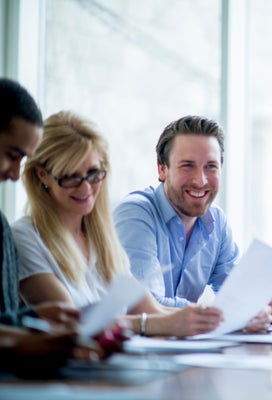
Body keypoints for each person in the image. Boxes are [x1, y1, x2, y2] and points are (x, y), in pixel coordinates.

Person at [14, 110, 228, 338]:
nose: (86, 188)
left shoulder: (100, 238)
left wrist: (218, 319)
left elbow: (150, 309)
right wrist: (149, 325)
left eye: (94, 173)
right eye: (71, 176)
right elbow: (74, 325)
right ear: (42, 175)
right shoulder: (25, 237)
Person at [113, 115, 272, 324]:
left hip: (184, 351)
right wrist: (224, 313)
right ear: (162, 169)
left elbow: (237, 294)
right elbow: (144, 306)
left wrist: (260, 306)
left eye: (211, 166)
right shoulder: (135, 214)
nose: (200, 180)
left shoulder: (217, 223)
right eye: (187, 166)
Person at [0, 79, 113, 377]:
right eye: (11, 155)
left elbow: (3, 319)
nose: (13, 174)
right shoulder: (22, 235)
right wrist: (23, 337)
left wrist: (32, 318)